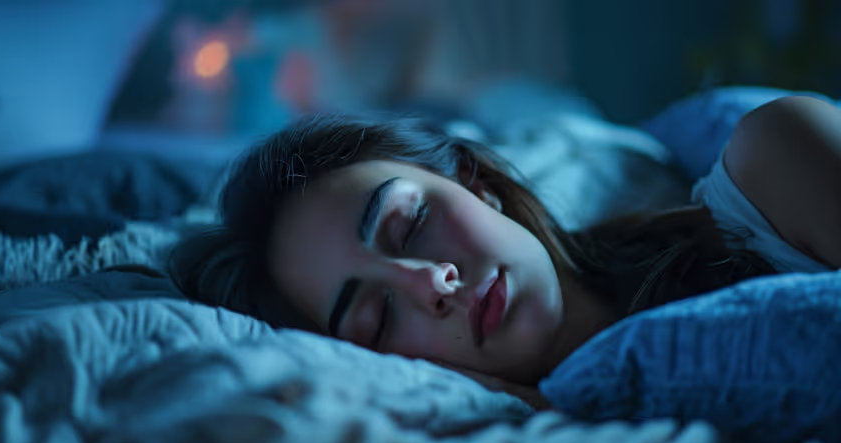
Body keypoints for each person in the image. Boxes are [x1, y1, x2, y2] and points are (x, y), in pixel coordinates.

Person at [167, 96, 841, 392]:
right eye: (375, 321)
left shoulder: (775, 164)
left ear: (476, 182)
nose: (429, 285)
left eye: (408, 226)